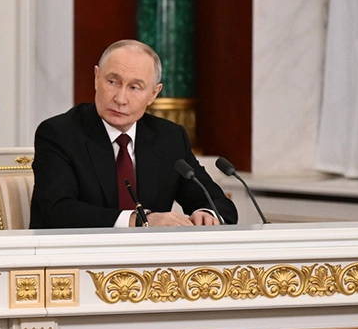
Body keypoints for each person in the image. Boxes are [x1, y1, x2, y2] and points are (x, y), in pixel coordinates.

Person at [29, 39, 237, 229]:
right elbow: (57, 212)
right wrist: (138, 220)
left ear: (153, 94)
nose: (120, 99)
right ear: (97, 78)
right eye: (112, 82)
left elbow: (220, 204)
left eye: (134, 87)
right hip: (78, 255)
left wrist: (207, 214)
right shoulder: (59, 133)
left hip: (150, 258)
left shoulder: (169, 138)